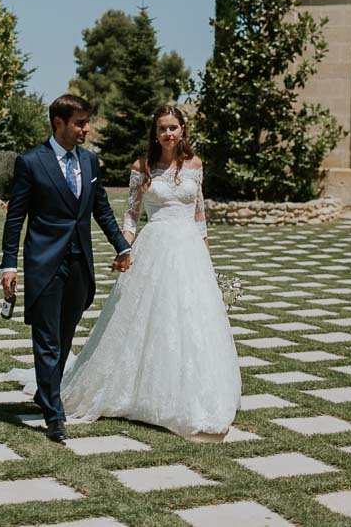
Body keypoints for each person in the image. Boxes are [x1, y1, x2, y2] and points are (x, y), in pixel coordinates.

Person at [60, 103, 241, 440]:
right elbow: (131, 215)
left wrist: (208, 262)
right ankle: (137, 390)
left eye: (173, 127)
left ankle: (193, 394)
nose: (168, 134)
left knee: (190, 321)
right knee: (147, 320)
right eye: (162, 129)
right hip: (153, 246)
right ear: (154, 133)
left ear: (182, 129)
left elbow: (199, 216)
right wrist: (124, 248)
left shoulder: (195, 165)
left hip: (189, 251)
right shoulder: (142, 167)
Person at [0, 94, 131, 443]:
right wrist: (8, 265)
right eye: (80, 123)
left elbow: (100, 209)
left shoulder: (89, 162)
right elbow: (16, 219)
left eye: (86, 122)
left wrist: (122, 245)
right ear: (58, 123)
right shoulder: (30, 162)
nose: (85, 129)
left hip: (79, 264)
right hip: (44, 264)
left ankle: (46, 393)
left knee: (64, 335)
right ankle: (54, 414)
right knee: (47, 341)